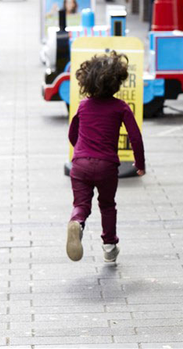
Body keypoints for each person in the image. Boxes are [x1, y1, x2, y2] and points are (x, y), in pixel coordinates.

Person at [67, 52, 146, 263]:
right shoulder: (121, 107)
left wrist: (80, 152)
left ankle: (77, 221)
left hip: (81, 163)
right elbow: (135, 138)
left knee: (82, 204)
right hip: (107, 165)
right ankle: (110, 246)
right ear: (116, 82)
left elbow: (72, 134)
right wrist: (140, 163)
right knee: (107, 204)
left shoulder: (83, 106)